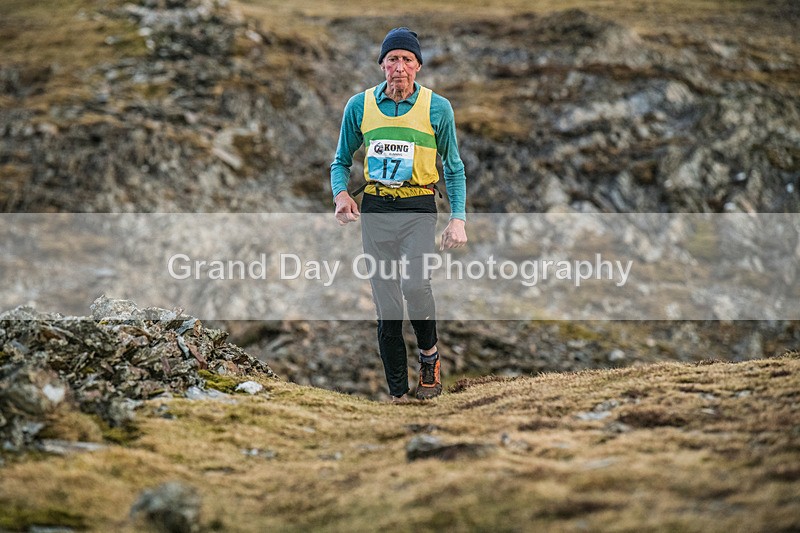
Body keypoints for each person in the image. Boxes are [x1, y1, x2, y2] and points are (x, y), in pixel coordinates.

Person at [330, 27, 468, 403]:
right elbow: (341, 161)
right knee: (387, 307)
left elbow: (453, 167)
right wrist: (341, 195)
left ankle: (429, 360)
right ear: (382, 65)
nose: (399, 67)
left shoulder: (437, 108)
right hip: (375, 209)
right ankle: (397, 396)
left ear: (418, 67)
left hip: (419, 208)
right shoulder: (359, 106)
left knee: (414, 286)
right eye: (392, 59)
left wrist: (458, 218)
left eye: (407, 60)